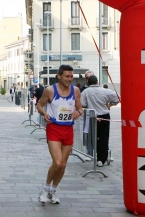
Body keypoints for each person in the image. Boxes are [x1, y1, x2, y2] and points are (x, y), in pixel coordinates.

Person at [37, 65, 83, 204]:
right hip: (54, 128)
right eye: (67, 76)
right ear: (59, 76)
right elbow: (39, 105)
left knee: (63, 165)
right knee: (57, 162)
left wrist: (78, 112)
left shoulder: (75, 91)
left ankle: (53, 190)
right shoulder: (50, 90)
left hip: (68, 129)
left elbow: (80, 108)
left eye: (71, 76)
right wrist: (44, 113)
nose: (70, 79)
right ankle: (45, 189)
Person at [81, 75, 120, 166]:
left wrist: (89, 105)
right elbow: (118, 98)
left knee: (94, 138)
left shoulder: (86, 92)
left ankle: (98, 155)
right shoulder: (105, 91)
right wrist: (110, 104)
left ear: (88, 83)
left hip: (92, 116)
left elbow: (82, 103)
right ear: (97, 82)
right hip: (104, 115)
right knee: (104, 137)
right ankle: (101, 159)